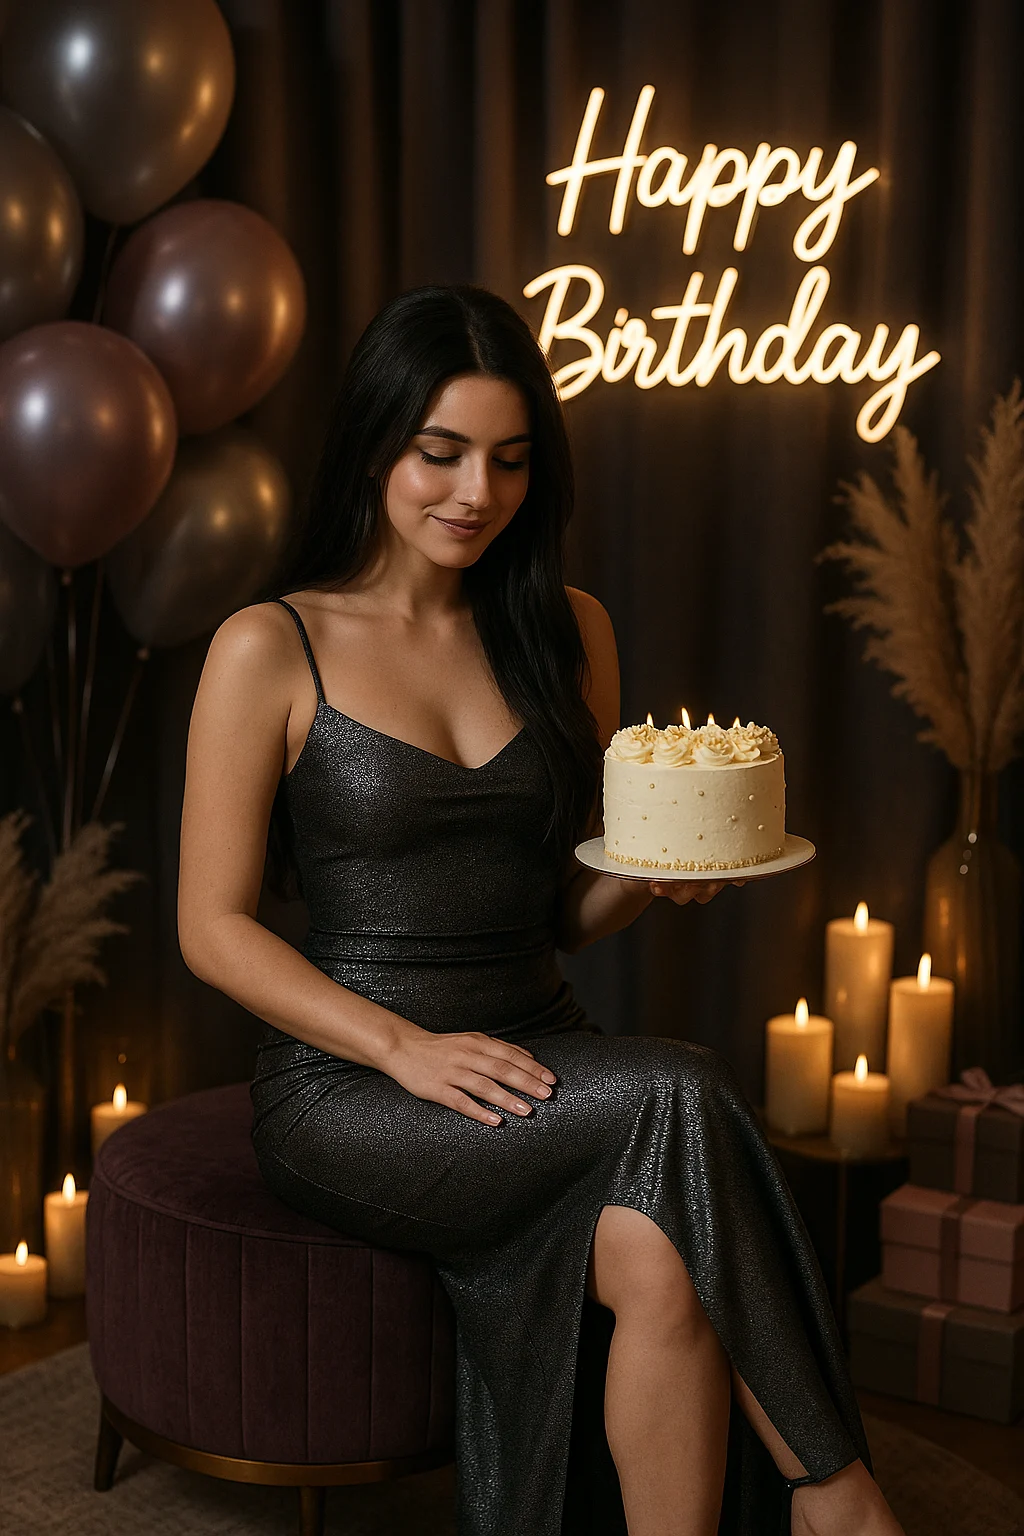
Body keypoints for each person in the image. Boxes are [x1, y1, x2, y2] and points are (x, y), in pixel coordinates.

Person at [177, 284, 905, 1536]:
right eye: (439, 453)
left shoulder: (567, 632)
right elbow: (212, 927)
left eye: (509, 462)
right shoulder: (268, 644)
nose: (475, 493)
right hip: (351, 1088)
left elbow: (567, 909)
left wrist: (650, 874)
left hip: (540, 1055)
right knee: (680, 1086)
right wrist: (404, 1046)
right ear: (376, 445)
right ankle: (835, 1496)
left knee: (661, 1260)